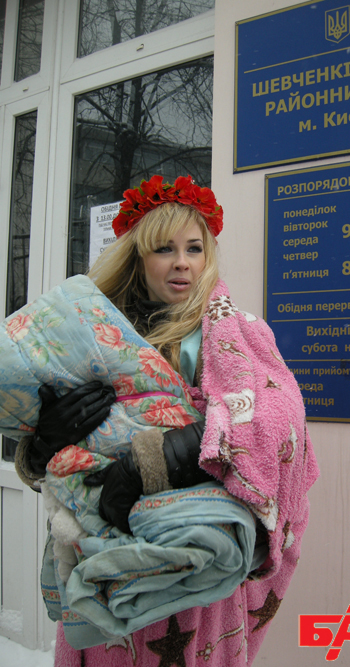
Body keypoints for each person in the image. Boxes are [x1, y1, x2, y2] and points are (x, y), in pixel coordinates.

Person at [16, 175, 319, 667]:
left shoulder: (233, 333)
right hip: (102, 569)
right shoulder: (89, 338)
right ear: (138, 258)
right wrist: (44, 446)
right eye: (164, 248)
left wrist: (156, 461)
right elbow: (58, 469)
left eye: (194, 248)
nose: (182, 262)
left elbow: (279, 420)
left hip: (190, 578)